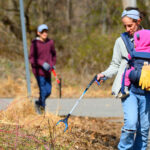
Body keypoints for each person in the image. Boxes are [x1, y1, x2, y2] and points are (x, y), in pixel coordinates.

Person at [97, 7, 150, 150]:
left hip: (147, 90)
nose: (127, 29)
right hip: (128, 89)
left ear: (138, 21)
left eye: (130, 25)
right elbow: (115, 64)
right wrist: (104, 74)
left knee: (144, 129)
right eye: (125, 26)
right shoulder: (121, 41)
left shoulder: (149, 38)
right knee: (131, 124)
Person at [29, 24, 56, 114]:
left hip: (48, 71)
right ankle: (42, 111)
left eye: (46, 31)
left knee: (48, 91)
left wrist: (52, 64)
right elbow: (32, 58)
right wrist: (42, 63)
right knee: (43, 91)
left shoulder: (50, 43)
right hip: (38, 71)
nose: (45, 33)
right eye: (42, 32)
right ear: (38, 33)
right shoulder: (34, 43)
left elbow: (53, 55)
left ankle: (38, 103)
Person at [121, 29, 150, 98]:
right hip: (148, 75)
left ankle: (125, 88)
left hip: (136, 74)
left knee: (126, 74)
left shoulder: (135, 51)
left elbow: (130, 58)